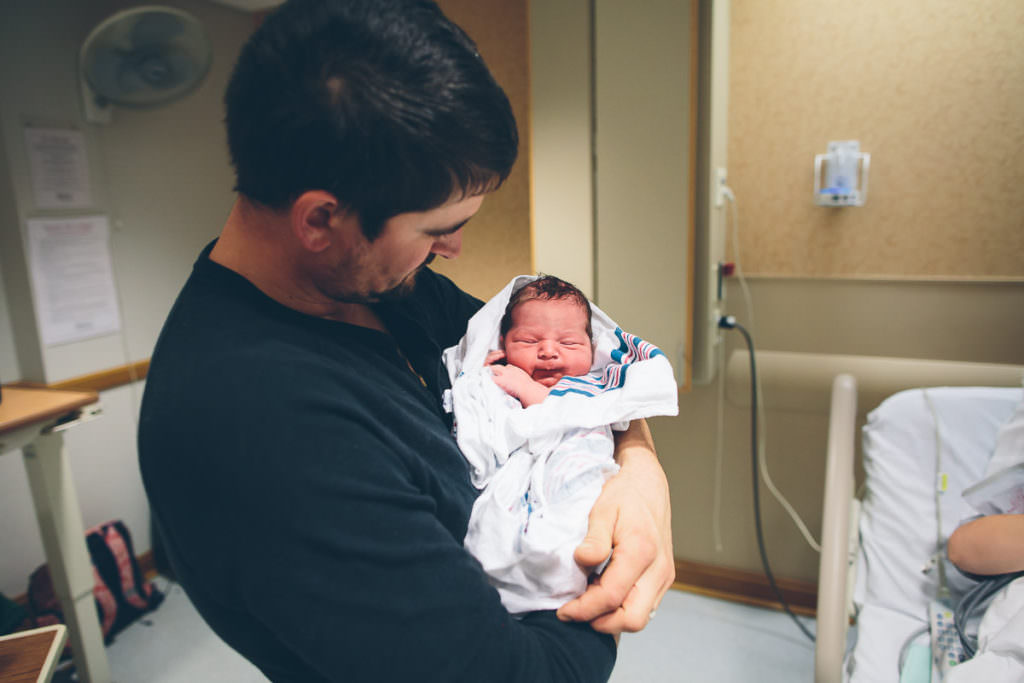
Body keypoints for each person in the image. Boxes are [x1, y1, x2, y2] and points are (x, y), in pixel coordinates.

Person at [137, 1, 674, 682]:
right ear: (322, 217)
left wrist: (639, 468)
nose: (454, 250)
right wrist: (608, 565)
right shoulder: (259, 425)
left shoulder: (389, 290)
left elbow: (585, 371)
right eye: (437, 227)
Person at [450, 276, 678, 614]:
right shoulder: (506, 377)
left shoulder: (593, 385)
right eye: (528, 340)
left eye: (569, 343)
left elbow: (581, 414)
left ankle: (555, 570)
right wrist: (480, 385)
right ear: (502, 343)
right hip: (517, 481)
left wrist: (530, 392)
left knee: (570, 528)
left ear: (591, 348)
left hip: (578, 472)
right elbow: (483, 426)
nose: (548, 351)